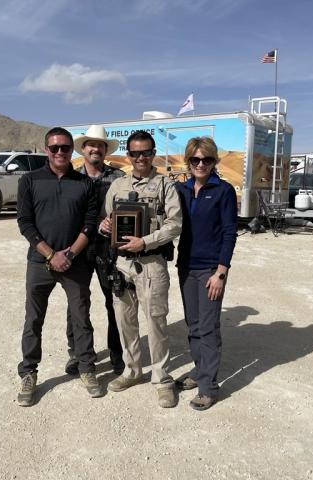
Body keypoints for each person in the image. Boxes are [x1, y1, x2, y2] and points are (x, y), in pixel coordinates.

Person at [16, 126, 101, 407]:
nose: (60, 152)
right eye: (55, 148)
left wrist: (70, 254)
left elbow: (90, 224)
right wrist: (52, 254)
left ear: (71, 150)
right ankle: (29, 373)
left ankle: (87, 367)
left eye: (65, 147)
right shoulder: (29, 180)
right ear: (46, 150)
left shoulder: (84, 183)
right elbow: (25, 223)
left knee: (81, 317)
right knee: (33, 320)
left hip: (75, 263)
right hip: (40, 262)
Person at [99, 130, 182, 408]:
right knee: (126, 320)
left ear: (153, 153)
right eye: (135, 153)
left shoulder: (165, 186)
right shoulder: (118, 186)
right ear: (128, 155)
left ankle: (161, 378)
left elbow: (175, 224)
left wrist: (144, 241)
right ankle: (132, 370)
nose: (140, 158)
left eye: (146, 152)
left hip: (151, 263)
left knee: (156, 320)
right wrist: (104, 226)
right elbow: (108, 218)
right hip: (122, 263)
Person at [174, 136, 238, 411]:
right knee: (193, 325)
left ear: (214, 162)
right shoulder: (181, 190)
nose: (201, 164)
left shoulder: (223, 191)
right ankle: (200, 371)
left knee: (209, 328)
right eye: (195, 159)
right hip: (186, 267)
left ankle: (209, 387)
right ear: (188, 161)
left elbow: (229, 233)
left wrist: (221, 271)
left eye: (207, 160)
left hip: (211, 269)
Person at [64, 125, 126, 376]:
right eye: (91, 144)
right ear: (84, 148)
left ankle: (117, 352)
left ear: (104, 149)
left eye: (100, 145)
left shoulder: (118, 177)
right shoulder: (71, 178)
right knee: (76, 302)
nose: (95, 148)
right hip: (78, 247)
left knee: (115, 301)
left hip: (108, 249)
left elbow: (125, 211)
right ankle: (77, 353)